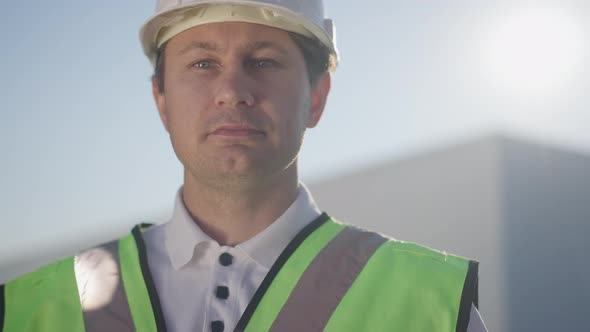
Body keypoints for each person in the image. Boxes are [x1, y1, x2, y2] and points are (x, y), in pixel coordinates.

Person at [0, 0, 488, 331]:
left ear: (316, 98)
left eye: (263, 61)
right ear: (161, 99)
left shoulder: (431, 306)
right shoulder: (29, 311)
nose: (232, 90)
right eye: (202, 63)